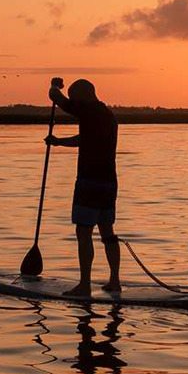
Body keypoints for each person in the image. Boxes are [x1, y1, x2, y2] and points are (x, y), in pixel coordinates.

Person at [45, 77, 120, 295]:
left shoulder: (87, 110)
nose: (73, 103)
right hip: (109, 183)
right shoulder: (108, 115)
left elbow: (55, 97)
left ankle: (85, 285)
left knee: (83, 232)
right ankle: (114, 281)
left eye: (75, 98)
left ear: (84, 95)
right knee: (108, 233)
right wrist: (59, 142)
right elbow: (84, 139)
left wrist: (55, 86)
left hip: (89, 182)